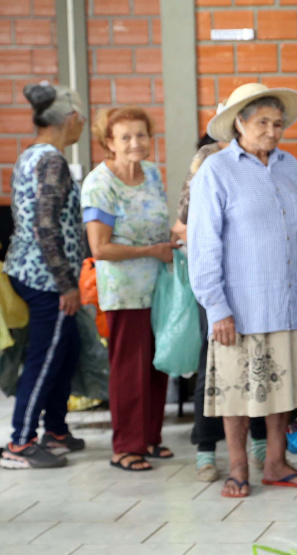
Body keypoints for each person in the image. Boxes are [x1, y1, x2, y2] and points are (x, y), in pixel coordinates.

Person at [188, 83, 297, 498]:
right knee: (235, 391)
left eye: (278, 123)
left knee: (283, 388)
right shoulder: (216, 169)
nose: (273, 131)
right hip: (241, 305)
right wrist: (216, 307)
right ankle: (237, 468)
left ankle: (276, 464)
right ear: (239, 124)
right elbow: (203, 244)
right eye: (263, 123)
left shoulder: (290, 166)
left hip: (291, 300)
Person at [82, 107, 177, 472]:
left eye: (141, 135)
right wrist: (150, 251)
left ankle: (150, 438)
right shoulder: (99, 183)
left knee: (157, 362)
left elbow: (159, 226)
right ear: (109, 143)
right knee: (128, 368)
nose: (136, 143)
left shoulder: (152, 174)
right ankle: (125, 446)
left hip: (159, 285)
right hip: (124, 291)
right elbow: (100, 248)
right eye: (125, 137)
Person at [173, 133, 269, 483]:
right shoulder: (209, 157)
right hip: (217, 284)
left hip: (258, 284)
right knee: (212, 365)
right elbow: (185, 214)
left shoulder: (270, 158)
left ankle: (259, 440)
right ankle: (206, 450)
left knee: (260, 363)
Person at [1, 83, 87, 469]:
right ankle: (19, 442)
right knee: (47, 355)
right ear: (71, 120)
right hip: (45, 278)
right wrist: (65, 285)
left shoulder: (30, 154)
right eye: (80, 117)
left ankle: (55, 429)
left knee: (65, 350)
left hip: (30, 269)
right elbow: (45, 226)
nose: (82, 123)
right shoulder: (52, 160)